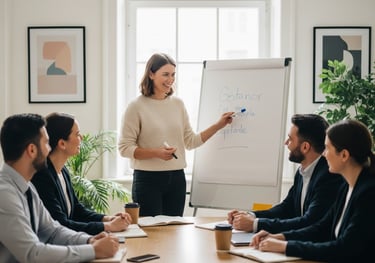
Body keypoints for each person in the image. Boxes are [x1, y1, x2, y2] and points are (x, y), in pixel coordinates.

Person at [118, 53, 233, 216]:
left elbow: (191, 141)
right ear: (151, 74)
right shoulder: (136, 106)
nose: (170, 80)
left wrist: (219, 125)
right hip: (147, 180)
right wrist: (156, 153)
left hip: (176, 179)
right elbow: (124, 148)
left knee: (174, 232)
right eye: (165, 74)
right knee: (152, 234)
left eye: (173, 75)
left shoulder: (178, 104)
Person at [251, 119, 375, 262]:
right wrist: (280, 237)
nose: (324, 154)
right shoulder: (347, 187)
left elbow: (344, 248)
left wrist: (285, 246)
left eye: (327, 148)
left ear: (344, 155)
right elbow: (321, 228)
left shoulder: (368, 194)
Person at [0, 113, 119, 262]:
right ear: (32, 150)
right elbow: (32, 253)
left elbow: (53, 231)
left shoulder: (27, 187)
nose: (50, 149)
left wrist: (89, 240)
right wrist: (92, 250)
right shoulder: (4, 194)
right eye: (46, 143)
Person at [227, 114, 344, 233]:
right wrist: (251, 215)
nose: (286, 142)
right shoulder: (302, 171)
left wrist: (256, 224)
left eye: (290, 139)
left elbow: (310, 221)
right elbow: (287, 208)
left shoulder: (329, 176)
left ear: (305, 147)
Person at [32, 112, 132, 235]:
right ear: (62, 143)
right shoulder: (42, 176)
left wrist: (107, 219)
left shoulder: (62, 170)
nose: (82, 137)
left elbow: (77, 211)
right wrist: (107, 226)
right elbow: (60, 224)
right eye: (77, 134)